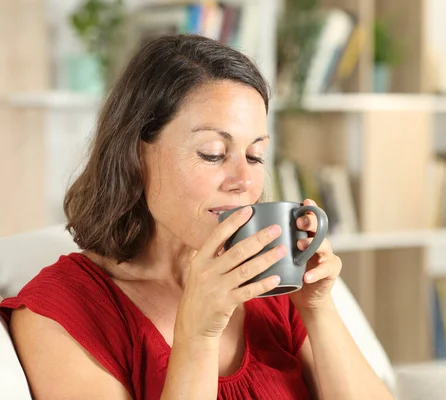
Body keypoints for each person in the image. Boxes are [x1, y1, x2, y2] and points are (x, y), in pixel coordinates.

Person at [0, 34, 393, 399]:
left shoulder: (272, 288)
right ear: (137, 155)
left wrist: (317, 308)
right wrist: (199, 337)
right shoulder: (61, 313)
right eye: (212, 153)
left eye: (255, 155)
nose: (244, 180)